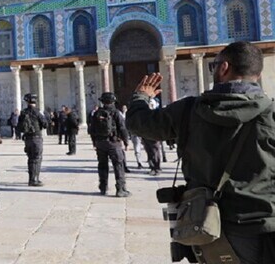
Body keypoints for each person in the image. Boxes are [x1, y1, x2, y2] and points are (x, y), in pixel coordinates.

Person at [127, 41, 275, 263]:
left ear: (224, 67)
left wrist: (141, 97)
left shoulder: (188, 110)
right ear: (257, 74)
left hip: (207, 227)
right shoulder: (271, 113)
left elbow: (140, 123)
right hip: (264, 228)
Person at [88, 92, 131, 197]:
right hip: (113, 142)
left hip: (100, 143)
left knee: (102, 165)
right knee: (118, 165)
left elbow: (91, 129)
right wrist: (126, 142)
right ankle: (120, 189)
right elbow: (122, 128)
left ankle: (103, 187)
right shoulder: (116, 112)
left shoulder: (97, 113)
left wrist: (94, 142)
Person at [17, 93, 48, 186]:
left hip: (27, 138)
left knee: (30, 158)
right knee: (37, 158)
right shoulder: (37, 112)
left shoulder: (23, 112)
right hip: (36, 137)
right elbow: (45, 124)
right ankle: (34, 180)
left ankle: (31, 178)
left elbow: (19, 126)